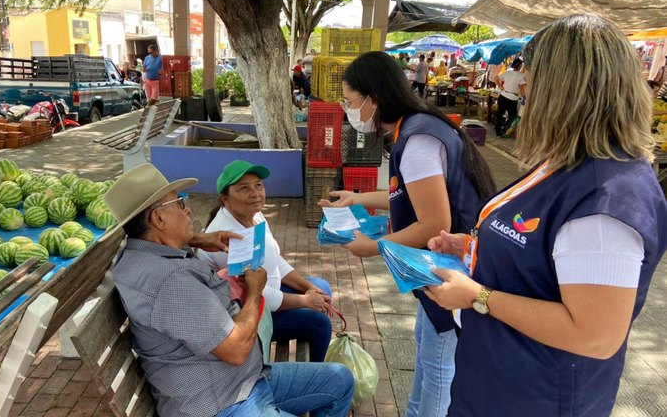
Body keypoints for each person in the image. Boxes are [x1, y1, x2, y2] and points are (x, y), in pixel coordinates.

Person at [424, 14, 667, 417]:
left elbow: (595, 335)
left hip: (536, 396)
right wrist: (475, 248)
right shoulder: (568, 163)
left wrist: (479, 296)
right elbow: (546, 256)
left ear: (563, 91)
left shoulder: (606, 199)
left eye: (532, 83)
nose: (525, 95)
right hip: (494, 382)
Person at [320, 51, 496, 417]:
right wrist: (357, 197)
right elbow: (408, 193)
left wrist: (373, 247)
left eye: (351, 102)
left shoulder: (416, 141)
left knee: (437, 367)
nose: (351, 111)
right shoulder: (417, 127)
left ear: (374, 97)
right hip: (437, 269)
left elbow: (434, 224)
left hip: (450, 270)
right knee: (428, 351)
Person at [104, 163, 355, 417]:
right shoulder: (171, 282)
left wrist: (196, 238)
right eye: (180, 203)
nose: (188, 209)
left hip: (245, 381)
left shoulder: (137, 256)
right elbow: (235, 350)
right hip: (222, 402)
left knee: (340, 380)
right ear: (158, 218)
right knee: (321, 338)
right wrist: (255, 291)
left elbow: (152, 242)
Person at [199, 160, 334, 362]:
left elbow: (275, 260)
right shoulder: (229, 239)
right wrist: (306, 300)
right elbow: (254, 292)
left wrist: (308, 288)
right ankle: (315, 374)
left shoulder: (254, 215)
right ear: (225, 199)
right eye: (244, 188)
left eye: (258, 185)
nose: (255, 193)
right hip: (247, 314)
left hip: (265, 293)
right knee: (320, 323)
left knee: (321, 287)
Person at [494, 58, 526, 136]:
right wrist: (523, 96)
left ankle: (498, 132)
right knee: (512, 116)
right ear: (519, 66)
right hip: (512, 98)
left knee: (500, 114)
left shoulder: (507, 73)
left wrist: (501, 86)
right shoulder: (521, 76)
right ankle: (506, 131)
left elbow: (495, 78)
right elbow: (522, 89)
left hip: (503, 95)